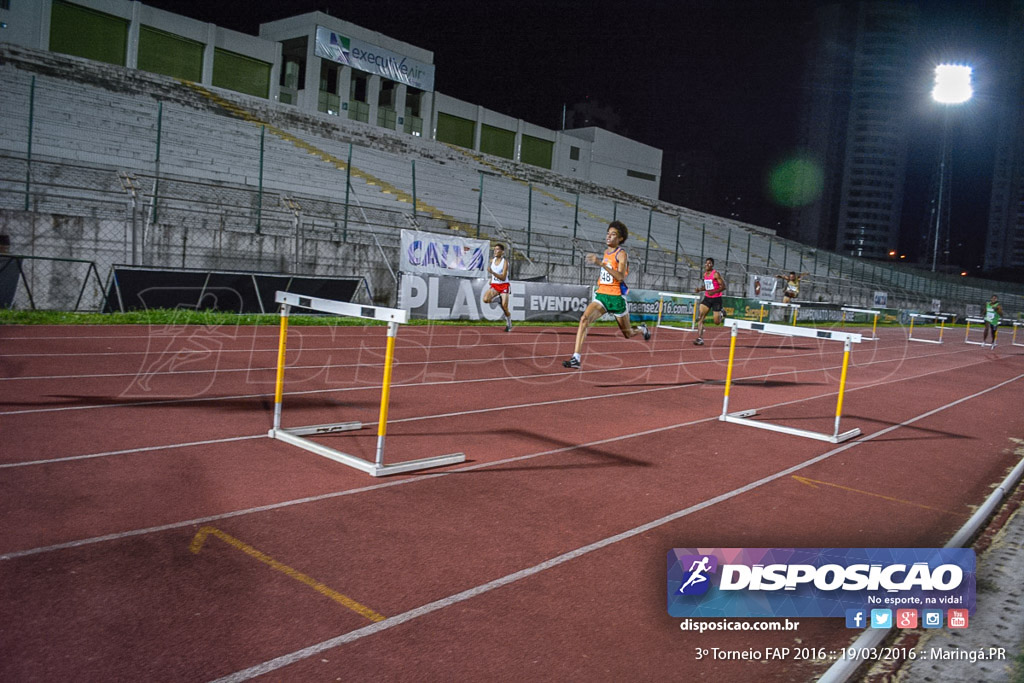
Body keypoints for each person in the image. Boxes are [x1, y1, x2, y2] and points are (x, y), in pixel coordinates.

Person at [562, 221, 650, 369]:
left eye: (613, 234)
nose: (609, 236)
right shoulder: (605, 252)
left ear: (620, 238)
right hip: (602, 295)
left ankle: (642, 329)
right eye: (608, 233)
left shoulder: (621, 254)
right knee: (584, 320)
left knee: (628, 333)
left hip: (616, 298)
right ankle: (576, 358)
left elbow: (621, 276)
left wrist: (601, 264)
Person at [693, 257, 726, 346]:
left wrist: (714, 292)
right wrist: (700, 289)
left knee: (716, 322)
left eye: (709, 263)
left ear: (712, 265)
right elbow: (707, 286)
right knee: (700, 318)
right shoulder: (705, 275)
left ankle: (721, 313)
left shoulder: (716, 274)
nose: (707, 265)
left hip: (716, 299)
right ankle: (700, 338)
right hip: (707, 298)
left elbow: (723, 287)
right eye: (706, 263)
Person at [482, 243, 512, 332]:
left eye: (498, 249)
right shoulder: (493, 260)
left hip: (504, 285)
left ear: (502, 252)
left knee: (505, 307)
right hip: (495, 285)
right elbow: (493, 271)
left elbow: (503, 277)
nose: (495, 251)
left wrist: (492, 273)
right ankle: (498, 300)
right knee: (485, 299)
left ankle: (509, 323)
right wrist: (491, 279)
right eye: (494, 249)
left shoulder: (505, 262)